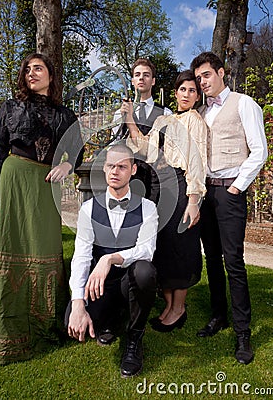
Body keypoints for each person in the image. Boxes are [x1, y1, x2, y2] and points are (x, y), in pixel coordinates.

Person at [0, 53, 84, 364]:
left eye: (38, 68)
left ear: (51, 75)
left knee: (45, 247)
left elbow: (76, 151)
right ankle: (8, 325)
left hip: (45, 188)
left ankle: (46, 321)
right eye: (27, 69)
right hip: (12, 181)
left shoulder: (66, 116)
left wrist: (67, 166)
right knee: (12, 246)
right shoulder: (10, 108)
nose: (31, 73)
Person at [190, 51, 268, 364]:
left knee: (233, 260)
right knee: (211, 256)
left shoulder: (244, 103)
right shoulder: (201, 112)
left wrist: (237, 186)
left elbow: (259, 149)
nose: (202, 82)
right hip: (205, 192)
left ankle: (243, 331)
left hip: (229, 192)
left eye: (206, 75)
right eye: (198, 78)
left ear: (222, 72)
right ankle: (218, 315)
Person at [124, 70, 207, 332]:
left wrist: (194, 199)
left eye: (192, 91)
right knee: (166, 244)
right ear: (175, 93)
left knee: (181, 243)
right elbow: (146, 149)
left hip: (183, 185)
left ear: (197, 96)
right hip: (163, 185)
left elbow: (197, 160)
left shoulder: (195, 121)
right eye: (183, 90)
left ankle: (178, 308)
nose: (187, 95)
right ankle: (169, 305)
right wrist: (128, 118)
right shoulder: (165, 120)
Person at [66, 142, 158, 378]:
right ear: (104, 169)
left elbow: (146, 250)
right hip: (101, 286)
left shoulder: (147, 208)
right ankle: (111, 319)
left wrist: (110, 258)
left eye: (122, 167)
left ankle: (134, 338)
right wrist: (78, 303)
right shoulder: (88, 209)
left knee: (145, 271)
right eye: (110, 166)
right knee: (71, 321)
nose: (115, 171)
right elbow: (81, 256)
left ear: (133, 170)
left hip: (130, 282)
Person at [113, 58, 172, 203]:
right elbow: (114, 145)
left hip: (158, 181)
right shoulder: (119, 113)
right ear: (132, 80)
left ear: (153, 81)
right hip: (130, 179)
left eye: (146, 75)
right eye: (137, 74)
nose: (141, 78)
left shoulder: (166, 113)